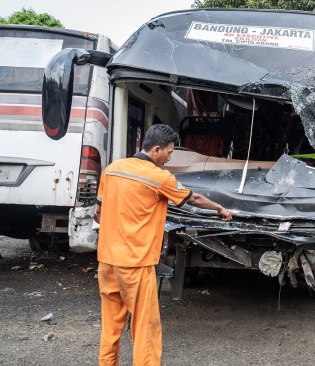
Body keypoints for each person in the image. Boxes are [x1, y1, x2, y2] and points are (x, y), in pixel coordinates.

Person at [94, 124, 233, 365]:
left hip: (107, 261)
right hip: (135, 264)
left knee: (110, 326)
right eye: (169, 152)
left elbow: (99, 210)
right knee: (146, 328)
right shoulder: (158, 177)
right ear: (156, 150)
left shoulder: (112, 169)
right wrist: (220, 208)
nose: (169, 158)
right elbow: (194, 199)